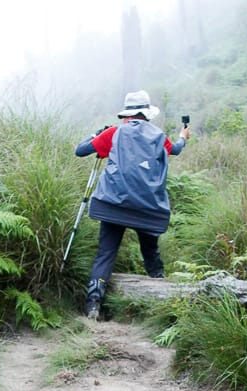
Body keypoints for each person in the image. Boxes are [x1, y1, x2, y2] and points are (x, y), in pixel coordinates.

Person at [75, 89, 190, 320]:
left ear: (126, 114)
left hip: (112, 204)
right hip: (147, 208)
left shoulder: (114, 133)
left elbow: (81, 150)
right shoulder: (159, 136)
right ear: (146, 114)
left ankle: (93, 305)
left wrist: (96, 133)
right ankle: (164, 302)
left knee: (105, 254)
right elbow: (176, 150)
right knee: (151, 253)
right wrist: (183, 137)